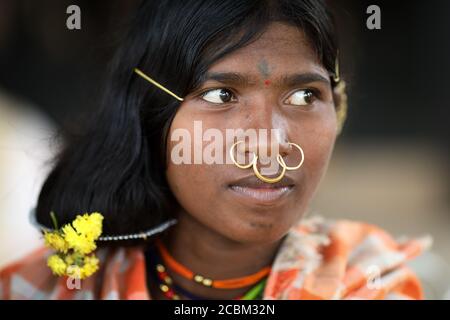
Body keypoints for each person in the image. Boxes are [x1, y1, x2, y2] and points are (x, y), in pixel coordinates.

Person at [0, 0, 431, 300]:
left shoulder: (368, 280)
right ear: (150, 114)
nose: (270, 142)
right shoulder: (52, 287)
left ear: (336, 111)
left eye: (304, 96)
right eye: (222, 95)